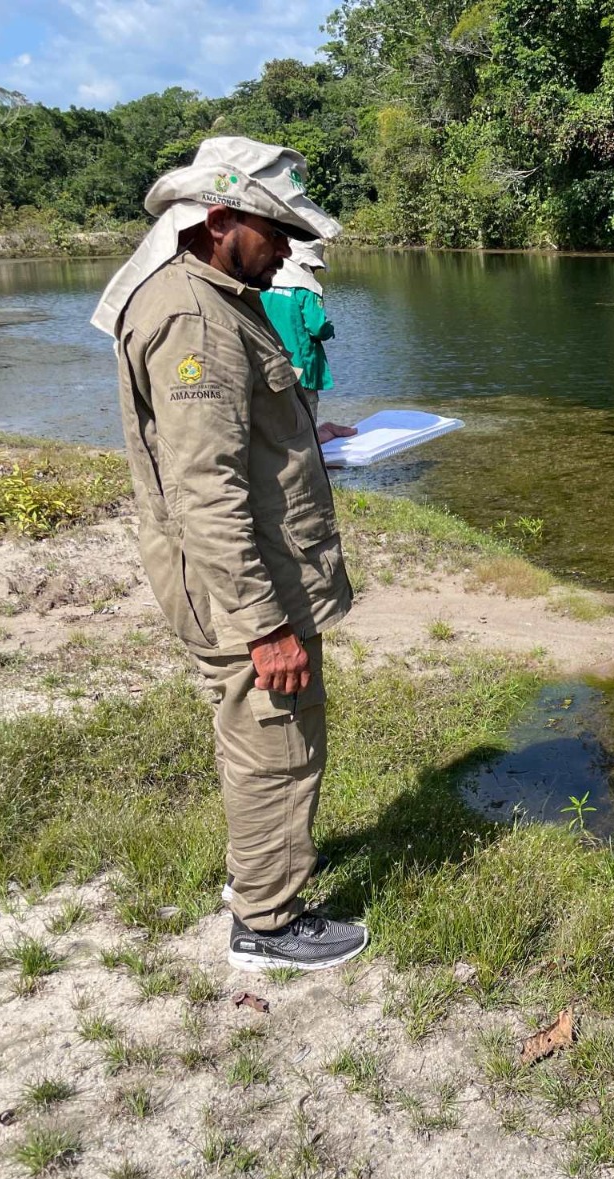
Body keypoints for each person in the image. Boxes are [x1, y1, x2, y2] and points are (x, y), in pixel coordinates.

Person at [90, 137, 366, 972]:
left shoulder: (216, 294)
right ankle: (269, 922)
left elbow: (225, 441)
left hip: (248, 577)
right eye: (275, 230)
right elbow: (204, 490)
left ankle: (257, 879)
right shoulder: (195, 319)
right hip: (248, 587)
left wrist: (297, 434)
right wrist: (263, 625)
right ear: (218, 222)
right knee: (274, 739)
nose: (288, 248)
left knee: (259, 733)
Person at [260, 239, 336, 409]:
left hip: (269, 366)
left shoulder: (264, 281)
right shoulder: (307, 286)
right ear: (309, 263)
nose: (316, 271)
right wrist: (330, 329)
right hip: (301, 367)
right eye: (316, 267)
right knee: (306, 421)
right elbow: (317, 327)